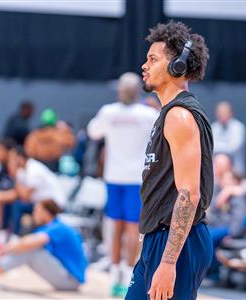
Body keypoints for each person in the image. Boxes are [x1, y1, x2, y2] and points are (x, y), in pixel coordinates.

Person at [126, 21, 213, 300]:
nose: (144, 65)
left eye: (153, 59)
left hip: (176, 244)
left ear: (178, 65)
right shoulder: (169, 114)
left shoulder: (180, 116)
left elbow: (189, 193)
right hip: (159, 239)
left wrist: (168, 262)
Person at [87, 72, 159, 297]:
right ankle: (127, 273)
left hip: (115, 178)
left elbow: (93, 131)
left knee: (116, 226)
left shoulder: (109, 112)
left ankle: (118, 272)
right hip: (135, 179)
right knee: (131, 227)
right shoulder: (147, 114)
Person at [0, 199, 88, 291]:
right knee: (30, 249)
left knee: (32, 251)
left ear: (46, 212)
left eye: (37, 210)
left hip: (71, 280)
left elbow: (30, 243)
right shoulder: (55, 226)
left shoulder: (57, 228)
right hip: (69, 278)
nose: (34, 214)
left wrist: (3, 251)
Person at [8, 146, 66, 236]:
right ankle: (7, 234)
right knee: (13, 204)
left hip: (54, 204)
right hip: (40, 203)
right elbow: (19, 193)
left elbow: (25, 196)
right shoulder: (22, 171)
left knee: (18, 206)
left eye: (12, 159)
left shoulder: (34, 169)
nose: (10, 162)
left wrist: (15, 175)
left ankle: (15, 237)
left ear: (20, 158)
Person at [212, 101, 246, 174]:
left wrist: (218, 146)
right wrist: (225, 145)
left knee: (222, 159)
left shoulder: (239, 127)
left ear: (231, 113)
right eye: (219, 112)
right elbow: (210, 147)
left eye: (224, 112)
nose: (221, 114)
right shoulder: (213, 127)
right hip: (216, 171)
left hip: (235, 171)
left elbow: (233, 148)